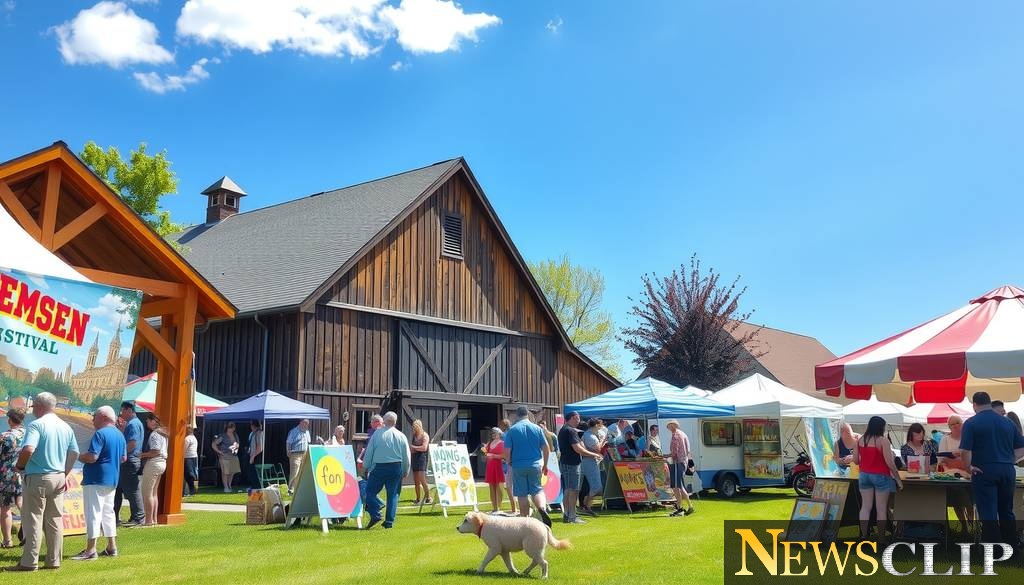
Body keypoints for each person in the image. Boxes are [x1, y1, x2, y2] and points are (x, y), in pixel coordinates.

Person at [6, 392, 79, 572]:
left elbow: (29, 448)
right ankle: (53, 560)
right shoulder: (65, 426)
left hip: (38, 476)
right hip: (58, 476)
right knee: (55, 520)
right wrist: (65, 472)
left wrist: (20, 466)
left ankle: (30, 562)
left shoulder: (36, 425)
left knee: (33, 520)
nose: (32, 411)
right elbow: (75, 453)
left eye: (33, 408)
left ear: (39, 406)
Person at [960, 391, 1024, 546]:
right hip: (1007, 469)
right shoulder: (1008, 422)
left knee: (988, 511)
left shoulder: (971, 423)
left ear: (974, 405)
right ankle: (1012, 545)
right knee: (1006, 510)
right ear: (989, 402)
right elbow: (1021, 446)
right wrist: (1010, 459)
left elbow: (965, 451)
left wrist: (968, 467)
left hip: (984, 470)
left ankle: (994, 549)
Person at [71, 406, 126, 561]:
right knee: (108, 513)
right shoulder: (119, 435)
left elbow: (92, 457)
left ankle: (90, 550)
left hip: (96, 478)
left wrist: (78, 456)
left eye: (94, 416)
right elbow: (123, 458)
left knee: (93, 513)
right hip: (112, 478)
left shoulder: (100, 434)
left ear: (102, 417)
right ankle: (111, 546)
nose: (92, 420)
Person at [852, 415, 902, 543]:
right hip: (881, 475)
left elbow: (856, 461)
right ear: (881, 427)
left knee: (865, 507)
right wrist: (897, 479)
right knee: (881, 509)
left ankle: (864, 535)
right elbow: (889, 462)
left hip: (863, 475)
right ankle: (881, 538)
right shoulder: (883, 440)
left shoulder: (860, 440)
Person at [503, 405, 552, 527]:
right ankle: (541, 508)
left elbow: (507, 451)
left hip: (518, 465)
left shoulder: (512, 430)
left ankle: (525, 520)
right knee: (537, 490)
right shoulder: (537, 428)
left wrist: (509, 462)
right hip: (535, 464)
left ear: (516, 415)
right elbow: (546, 449)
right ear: (528, 414)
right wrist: (545, 464)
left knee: (522, 494)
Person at [362, 412, 410, 529]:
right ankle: (389, 522)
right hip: (395, 468)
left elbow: (369, 452)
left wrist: (366, 465)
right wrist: (405, 470)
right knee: (393, 495)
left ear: (384, 420)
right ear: (395, 421)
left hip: (379, 467)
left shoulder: (377, 434)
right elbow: (406, 456)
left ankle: (376, 513)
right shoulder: (401, 436)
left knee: (370, 492)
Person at [557, 411, 602, 524]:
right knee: (573, 490)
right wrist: (594, 454)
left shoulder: (563, 429)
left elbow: (579, 446)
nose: (579, 420)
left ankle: (567, 515)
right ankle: (572, 516)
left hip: (566, 463)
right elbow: (578, 449)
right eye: (577, 418)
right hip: (572, 464)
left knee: (568, 489)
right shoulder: (570, 430)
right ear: (572, 418)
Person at [114, 401, 144, 527]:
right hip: (130, 460)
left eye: (122, 411)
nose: (121, 414)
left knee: (132, 490)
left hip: (129, 460)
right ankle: (117, 517)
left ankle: (138, 517)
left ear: (129, 410)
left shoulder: (132, 424)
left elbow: (132, 444)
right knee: (118, 490)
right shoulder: (135, 423)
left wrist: (120, 454)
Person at [0, 407, 27, 549]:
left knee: (5, 508)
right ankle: (28, 534)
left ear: (10, 420)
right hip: (22, 473)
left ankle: (7, 540)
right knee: (21, 502)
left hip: (5, 475)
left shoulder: (5, 436)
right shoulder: (27, 434)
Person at [139, 413, 168, 526]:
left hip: (154, 463)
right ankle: (154, 519)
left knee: (147, 493)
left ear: (153, 421)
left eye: (147, 421)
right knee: (154, 492)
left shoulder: (155, 434)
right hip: (162, 463)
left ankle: (148, 520)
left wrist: (142, 455)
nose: (147, 424)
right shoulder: (163, 433)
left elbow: (155, 451)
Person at [666, 420, 695, 517]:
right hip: (683, 461)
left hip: (677, 462)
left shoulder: (676, 435)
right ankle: (679, 508)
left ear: (673, 425)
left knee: (679, 485)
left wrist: (668, 457)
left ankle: (690, 506)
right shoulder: (683, 434)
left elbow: (675, 451)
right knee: (675, 486)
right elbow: (688, 450)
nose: (668, 428)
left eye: (669, 426)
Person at [580, 419, 606, 516]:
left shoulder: (590, 435)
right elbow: (598, 448)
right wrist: (603, 439)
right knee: (596, 487)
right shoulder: (590, 436)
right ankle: (586, 507)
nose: (601, 427)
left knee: (595, 487)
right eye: (600, 425)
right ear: (595, 425)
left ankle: (586, 507)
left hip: (590, 461)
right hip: (589, 461)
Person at [212, 422, 240, 493]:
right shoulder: (222, 436)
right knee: (225, 472)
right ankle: (226, 487)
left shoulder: (235, 435)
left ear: (234, 428)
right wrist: (219, 452)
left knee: (232, 471)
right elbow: (213, 444)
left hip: (234, 455)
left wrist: (236, 447)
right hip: (224, 456)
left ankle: (229, 485)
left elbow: (237, 444)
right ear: (227, 428)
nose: (231, 429)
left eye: (232, 427)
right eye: (229, 427)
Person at [483, 428, 505, 512]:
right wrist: (484, 451)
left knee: (499, 487)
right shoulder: (489, 443)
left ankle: (498, 506)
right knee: (491, 487)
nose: (493, 435)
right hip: (490, 466)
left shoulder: (502, 443)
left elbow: (504, 455)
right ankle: (494, 507)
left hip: (498, 466)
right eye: (492, 433)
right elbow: (485, 454)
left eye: (495, 433)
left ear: (500, 434)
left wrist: (493, 456)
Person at [409, 420, 431, 505]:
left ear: (419, 426)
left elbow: (424, 448)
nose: (413, 429)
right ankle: (418, 498)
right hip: (414, 458)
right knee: (416, 480)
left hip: (422, 457)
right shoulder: (414, 436)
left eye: (415, 427)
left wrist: (413, 447)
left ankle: (428, 497)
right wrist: (412, 450)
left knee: (422, 479)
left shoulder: (424, 435)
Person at [286, 419, 311, 492]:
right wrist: (288, 451)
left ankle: (298, 490)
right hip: (295, 454)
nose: (307, 425)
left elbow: (308, 442)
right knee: (294, 472)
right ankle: (291, 490)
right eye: (305, 423)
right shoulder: (293, 431)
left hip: (305, 454)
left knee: (302, 472)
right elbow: (288, 442)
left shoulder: (307, 432)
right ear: (300, 422)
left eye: (307, 423)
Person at [498, 418, 516, 515]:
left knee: (509, 486)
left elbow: (504, 449)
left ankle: (514, 508)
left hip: (508, 463)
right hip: (517, 461)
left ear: (503, 425)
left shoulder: (505, 435)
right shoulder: (514, 432)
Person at [247, 420, 265, 488]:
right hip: (252, 455)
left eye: (251, 425)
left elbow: (260, 447)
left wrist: (253, 457)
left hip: (257, 456)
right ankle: (253, 486)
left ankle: (257, 487)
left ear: (253, 425)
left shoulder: (259, 433)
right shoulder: (253, 433)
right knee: (251, 472)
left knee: (255, 473)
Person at [182, 425, 198, 497]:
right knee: (193, 474)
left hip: (188, 457)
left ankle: (190, 491)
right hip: (194, 457)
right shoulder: (194, 437)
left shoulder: (187, 438)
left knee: (189, 475)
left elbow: (183, 450)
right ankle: (193, 490)